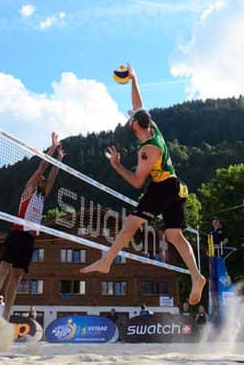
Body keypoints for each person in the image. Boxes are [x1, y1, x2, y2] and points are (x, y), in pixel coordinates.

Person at [81, 64, 206, 305]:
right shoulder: (153, 130)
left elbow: (138, 182)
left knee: (130, 224)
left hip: (163, 188)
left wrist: (116, 165)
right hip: (175, 187)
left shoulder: (147, 151)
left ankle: (107, 261)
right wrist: (133, 79)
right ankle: (196, 276)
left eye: (131, 119)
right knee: (174, 235)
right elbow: (140, 106)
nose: (129, 119)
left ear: (135, 126)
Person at [0, 132, 64, 320]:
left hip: (30, 238)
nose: (44, 179)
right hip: (17, 233)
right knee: (5, 267)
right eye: (42, 178)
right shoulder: (29, 189)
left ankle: (6, 315)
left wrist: (60, 160)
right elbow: (43, 166)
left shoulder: (42, 196)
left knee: (17, 276)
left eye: (44, 180)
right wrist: (53, 148)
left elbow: (52, 175)